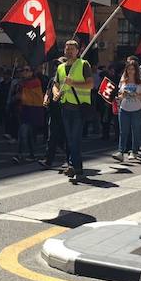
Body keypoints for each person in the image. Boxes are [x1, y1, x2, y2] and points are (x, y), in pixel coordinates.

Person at [53, 40, 93, 180]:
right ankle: (75, 166)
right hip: (65, 106)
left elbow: (90, 84)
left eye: (72, 49)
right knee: (69, 139)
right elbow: (56, 84)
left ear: (77, 51)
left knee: (74, 139)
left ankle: (75, 166)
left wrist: (73, 83)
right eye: (67, 48)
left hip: (79, 107)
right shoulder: (61, 68)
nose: (69, 51)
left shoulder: (83, 64)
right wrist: (55, 93)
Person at [11, 65, 45, 163]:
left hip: (33, 110)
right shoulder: (22, 83)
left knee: (23, 132)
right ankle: (32, 154)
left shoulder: (35, 82)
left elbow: (23, 95)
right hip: (25, 110)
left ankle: (20, 154)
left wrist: (19, 93)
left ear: (32, 72)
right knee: (29, 134)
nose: (24, 72)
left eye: (27, 70)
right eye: (23, 70)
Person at [113, 61, 141, 162]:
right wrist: (119, 97)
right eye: (128, 69)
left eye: (132, 69)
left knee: (135, 131)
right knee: (123, 131)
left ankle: (134, 151)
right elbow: (120, 95)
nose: (130, 71)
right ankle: (121, 152)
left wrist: (135, 94)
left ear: (136, 70)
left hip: (136, 110)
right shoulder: (123, 81)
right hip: (124, 109)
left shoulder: (140, 82)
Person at [40, 58, 68, 168]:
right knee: (51, 137)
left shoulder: (67, 80)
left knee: (66, 137)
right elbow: (48, 91)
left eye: (59, 65)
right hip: (53, 112)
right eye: (56, 65)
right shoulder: (52, 79)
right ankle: (48, 160)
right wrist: (45, 99)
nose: (57, 67)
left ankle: (68, 160)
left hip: (65, 111)